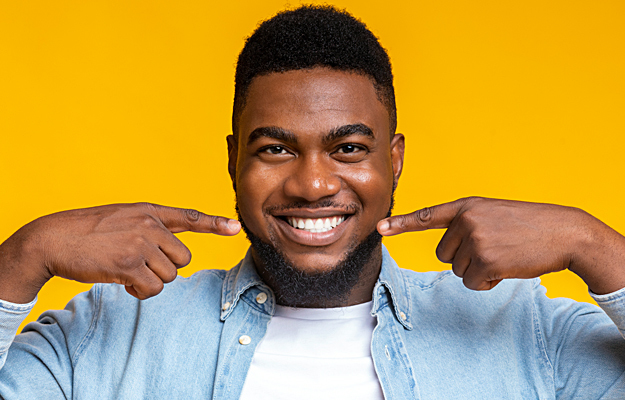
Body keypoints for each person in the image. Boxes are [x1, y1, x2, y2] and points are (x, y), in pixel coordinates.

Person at [0, 5, 624, 399]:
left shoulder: (527, 332)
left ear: (395, 160)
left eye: (348, 148)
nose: (313, 184)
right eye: (275, 149)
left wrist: (592, 243)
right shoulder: (109, 332)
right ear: (233, 160)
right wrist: (22, 257)